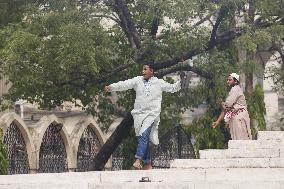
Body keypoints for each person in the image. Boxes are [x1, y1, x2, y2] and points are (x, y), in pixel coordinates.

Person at [105, 64, 181, 170]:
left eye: (145, 69)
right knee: (142, 137)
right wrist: (112, 87)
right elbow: (125, 84)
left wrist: (181, 80)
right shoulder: (138, 80)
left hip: (152, 114)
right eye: (142, 69)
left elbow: (173, 88)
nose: (143, 71)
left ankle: (138, 159)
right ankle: (148, 163)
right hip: (139, 115)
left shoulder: (159, 83)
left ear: (151, 71)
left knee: (144, 134)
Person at [212, 73, 252, 140]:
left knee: (240, 139)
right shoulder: (234, 90)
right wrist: (218, 121)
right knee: (238, 139)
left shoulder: (235, 89)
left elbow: (227, 106)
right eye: (227, 80)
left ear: (235, 81)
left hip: (239, 116)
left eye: (230, 80)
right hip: (236, 116)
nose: (228, 81)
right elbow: (226, 108)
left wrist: (221, 103)